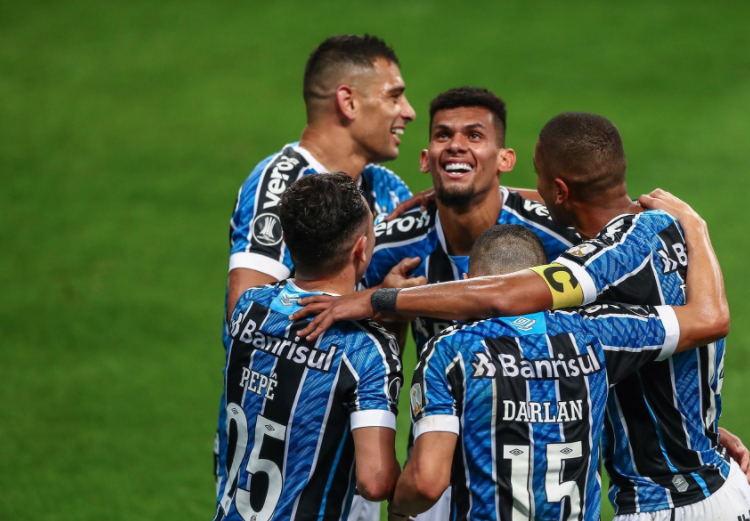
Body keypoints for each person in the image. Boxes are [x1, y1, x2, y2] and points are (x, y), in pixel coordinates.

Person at [293, 113, 750, 519]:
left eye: (539, 177)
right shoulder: (665, 227)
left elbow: (508, 297)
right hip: (719, 481)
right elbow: (682, 344)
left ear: (558, 189)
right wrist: (697, 425)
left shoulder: (610, 256)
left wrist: (378, 300)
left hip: (664, 500)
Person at [390, 221, 750, 521]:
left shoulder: (450, 350)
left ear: (470, 282)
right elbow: (707, 319)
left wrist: (398, 511)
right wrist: (695, 226)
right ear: (539, 279)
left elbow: (425, 483)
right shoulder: (593, 334)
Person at [214, 173, 402, 521]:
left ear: (286, 240)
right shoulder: (367, 350)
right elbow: (375, 482)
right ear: (362, 249)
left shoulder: (249, 308)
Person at [363, 86, 580, 353]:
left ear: (505, 159)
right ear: (425, 160)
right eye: (443, 135)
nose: (455, 145)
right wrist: (385, 305)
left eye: (474, 135)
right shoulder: (390, 245)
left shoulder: (561, 235)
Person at [225, 34, 417, 319]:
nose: (409, 112)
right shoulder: (282, 182)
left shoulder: (390, 190)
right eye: (394, 96)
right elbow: (246, 315)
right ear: (349, 102)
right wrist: (379, 301)